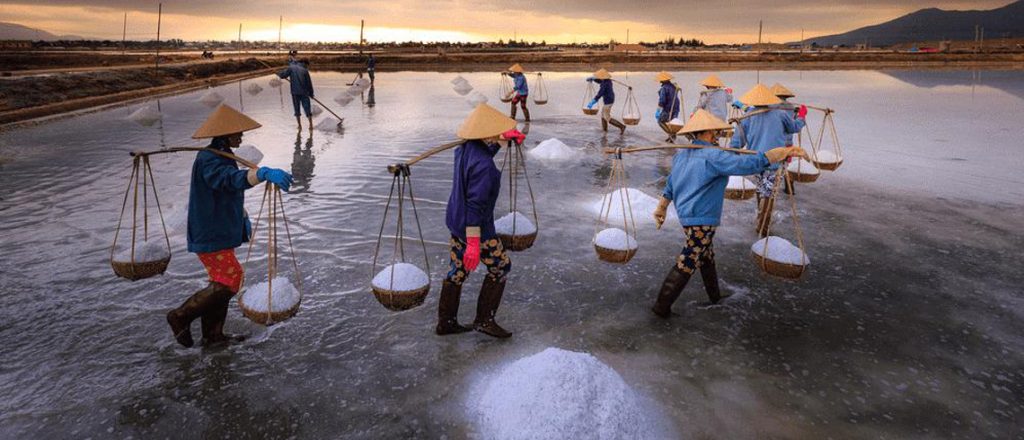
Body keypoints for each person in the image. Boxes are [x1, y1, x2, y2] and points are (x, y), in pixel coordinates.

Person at [651, 109, 808, 317]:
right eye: (715, 132)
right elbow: (745, 164)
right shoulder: (713, 156)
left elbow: (670, 185)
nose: (717, 136)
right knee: (688, 260)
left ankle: (714, 297)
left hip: (687, 215)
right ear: (707, 133)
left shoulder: (682, 155)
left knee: (705, 254)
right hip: (701, 217)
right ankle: (661, 307)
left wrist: (662, 206)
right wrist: (778, 153)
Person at [166, 104, 294, 347]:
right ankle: (180, 315)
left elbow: (227, 185)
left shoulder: (221, 155)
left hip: (219, 229)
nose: (241, 136)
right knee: (231, 279)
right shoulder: (209, 159)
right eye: (238, 133)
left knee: (222, 281)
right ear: (225, 134)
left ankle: (213, 336)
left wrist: (242, 214)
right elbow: (226, 180)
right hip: (210, 231)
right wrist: (260, 174)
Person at [438, 104, 525, 338]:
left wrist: (501, 140)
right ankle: (484, 320)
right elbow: (476, 207)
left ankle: (445, 322)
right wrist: (475, 244)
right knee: (500, 267)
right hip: (477, 229)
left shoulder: (464, 149)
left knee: (457, 271)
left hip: (456, 222)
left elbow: (482, 152)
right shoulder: (486, 168)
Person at [729, 84, 807, 236]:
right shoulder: (780, 113)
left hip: (755, 160)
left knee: (762, 188)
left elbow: (737, 140)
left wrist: (733, 154)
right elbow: (794, 127)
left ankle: (761, 217)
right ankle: (763, 225)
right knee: (769, 192)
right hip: (774, 159)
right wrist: (802, 117)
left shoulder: (749, 114)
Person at [585, 68, 626, 135]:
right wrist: (593, 79)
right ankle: (605, 130)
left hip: (608, 101)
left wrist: (594, 101)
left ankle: (622, 126)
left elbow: (600, 93)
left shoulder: (605, 84)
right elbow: (600, 81)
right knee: (602, 116)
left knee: (607, 117)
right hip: (610, 99)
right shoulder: (607, 81)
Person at [278, 58, 315, 130]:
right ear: (304, 63)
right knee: (307, 108)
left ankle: (299, 126)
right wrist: (311, 93)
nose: (307, 67)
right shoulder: (305, 71)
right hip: (304, 93)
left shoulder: (291, 68)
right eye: (307, 65)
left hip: (295, 93)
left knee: (296, 109)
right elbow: (309, 84)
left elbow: (283, 75)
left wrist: (278, 74)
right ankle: (311, 125)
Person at [655, 71, 680, 142]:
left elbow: (662, 101)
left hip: (668, 108)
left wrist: (658, 110)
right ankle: (671, 136)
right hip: (676, 108)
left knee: (660, 121)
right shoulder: (673, 86)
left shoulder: (664, 88)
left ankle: (672, 134)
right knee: (671, 122)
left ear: (662, 80)